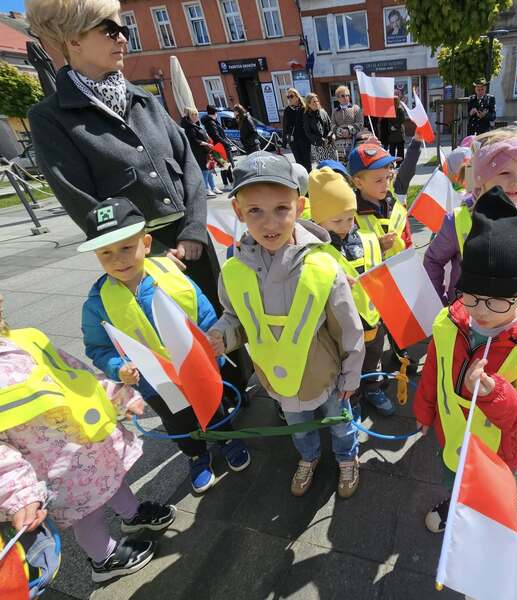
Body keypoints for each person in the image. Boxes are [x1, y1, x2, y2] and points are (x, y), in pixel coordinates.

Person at [26, 0, 219, 311]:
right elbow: (79, 199)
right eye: (110, 29)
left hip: (193, 244)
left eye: (123, 29)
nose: (122, 38)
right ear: (74, 40)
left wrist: (194, 229)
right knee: (164, 337)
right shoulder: (51, 116)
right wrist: (144, 251)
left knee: (222, 330)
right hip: (135, 258)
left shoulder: (144, 99)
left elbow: (188, 163)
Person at [208, 152, 365, 499]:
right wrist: (222, 334)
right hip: (278, 378)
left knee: (339, 423)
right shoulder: (234, 271)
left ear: (300, 206)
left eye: (281, 208)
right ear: (238, 211)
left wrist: (351, 374)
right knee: (299, 428)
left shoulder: (322, 265)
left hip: (327, 376)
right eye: (255, 211)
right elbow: (236, 316)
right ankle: (309, 457)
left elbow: (347, 326)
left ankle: (346, 457)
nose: (270, 224)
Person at [413, 187, 517, 533]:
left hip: (498, 451)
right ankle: (455, 505)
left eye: (496, 301)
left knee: (486, 492)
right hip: (453, 434)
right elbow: (434, 371)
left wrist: (495, 393)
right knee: (453, 475)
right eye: (471, 296)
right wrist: (424, 411)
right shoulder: (450, 322)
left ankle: (480, 516)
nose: (480, 311)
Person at [0, 293, 176, 583]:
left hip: (90, 447)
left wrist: (117, 396)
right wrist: (19, 496)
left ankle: (132, 513)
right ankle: (104, 558)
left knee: (113, 480)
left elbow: (78, 377)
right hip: (57, 471)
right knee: (87, 515)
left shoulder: (27, 339)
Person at [79, 198, 251, 494]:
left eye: (126, 247)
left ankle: (226, 438)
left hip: (197, 367)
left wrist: (213, 339)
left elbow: (201, 310)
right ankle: (196, 455)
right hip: (156, 382)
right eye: (106, 253)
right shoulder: (97, 303)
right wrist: (119, 368)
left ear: (146, 243)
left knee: (214, 405)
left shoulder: (172, 275)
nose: (118, 260)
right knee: (179, 421)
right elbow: (98, 348)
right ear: (97, 255)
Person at [423, 130, 517, 309]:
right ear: (482, 178)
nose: (516, 181)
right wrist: (440, 302)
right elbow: (433, 260)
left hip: (515, 315)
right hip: (468, 314)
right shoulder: (458, 219)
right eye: (504, 173)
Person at [307, 167, 395, 417]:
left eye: (350, 218)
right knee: (347, 365)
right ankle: (351, 399)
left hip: (373, 318)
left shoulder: (367, 237)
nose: (346, 226)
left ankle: (373, 387)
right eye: (337, 221)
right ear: (318, 220)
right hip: (341, 325)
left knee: (373, 357)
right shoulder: (315, 251)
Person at [348, 144, 414, 258]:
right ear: (358, 183)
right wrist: (378, 247)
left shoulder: (397, 208)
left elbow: (408, 243)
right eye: (379, 180)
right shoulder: (351, 216)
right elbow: (350, 254)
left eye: (388, 177)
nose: (386, 184)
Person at [181, 107, 220, 197]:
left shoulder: (196, 125)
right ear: (190, 116)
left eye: (197, 114)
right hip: (199, 152)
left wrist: (208, 142)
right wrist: (206, 144)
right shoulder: (189, 127)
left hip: (206, 151)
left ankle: (213, 187)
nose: (197, 116)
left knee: (209, 170)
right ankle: (206, 189)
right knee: (205, 171)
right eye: (194, 115)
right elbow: (194, 140)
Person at [202, 105, 235, 191]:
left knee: (225, 165)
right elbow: (216, 136)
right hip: (220, 146)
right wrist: (226, 143)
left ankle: (230, 182)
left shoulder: (210, 121)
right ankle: (227, 183)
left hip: (219, 145)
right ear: (214, 113)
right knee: (224, 165)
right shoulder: (211, 123)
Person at [331, 85, 364, 162]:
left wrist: (349, 130)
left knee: (354, 162)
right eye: (343, 96)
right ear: (338, 98)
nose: (346, 97)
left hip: (354, 141)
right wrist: (339, 131)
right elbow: (332, 125)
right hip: (340, 143)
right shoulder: (335, 111)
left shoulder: (356, 108)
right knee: (342, 163)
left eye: (347, 95)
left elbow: (360, 123)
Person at [282, 88, 312, 172]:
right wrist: (284, 143)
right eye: (288, 97)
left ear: (297, 97)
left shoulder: (304, 108)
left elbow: (310, 123)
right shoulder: (287, 110)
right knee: (299, 163)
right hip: (294, 141)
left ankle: (309, 178)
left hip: (305, 139)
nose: (289, 98)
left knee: (307, 163)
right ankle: (302, 178)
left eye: (291, 96)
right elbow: (285, 127)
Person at [303, 93, 337, 165]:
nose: (316, 103)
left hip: (329, 144)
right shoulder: (306, 116)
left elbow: (331, 126)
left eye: (317, 101)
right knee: (323, 167)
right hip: (318, 146)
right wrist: (320, 140)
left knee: (334, 166)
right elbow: (308, 133)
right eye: (314, 102)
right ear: (308, 104)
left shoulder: (323, 112)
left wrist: (330, 136)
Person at [380, 95, 407, 161]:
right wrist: (390, 127)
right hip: (392, 134)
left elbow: (402, 120)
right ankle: (392, 162)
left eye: (394, 101)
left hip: (399, 132)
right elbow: (388, 120)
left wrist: (395, 126)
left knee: (400, 150)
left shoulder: (400, 109)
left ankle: (399, 163)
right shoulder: (390, 109)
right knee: (392, 150)